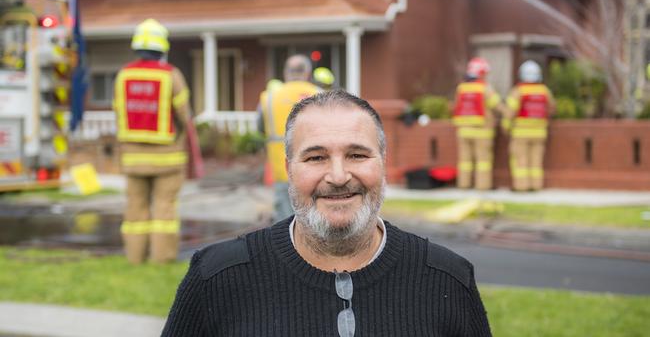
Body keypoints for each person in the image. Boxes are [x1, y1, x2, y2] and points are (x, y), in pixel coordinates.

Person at [163, 90, 492, 336]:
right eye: (316, 158)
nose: (338, 176)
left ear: (384, 163)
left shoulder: (447, 278)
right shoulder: (218, 277)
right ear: (289, 169)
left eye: (357, 155)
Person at [113, 19, 191, 264]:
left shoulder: (123, 75)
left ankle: (135, 258)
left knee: (135, 209)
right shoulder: (171, 75)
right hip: (167, 158)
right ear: (162, 48)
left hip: (133, 158)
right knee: (164, 209)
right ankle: (161, 259)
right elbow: (184, 115)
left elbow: (118, 112)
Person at [258, 54, 319, 222]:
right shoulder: (319, 95)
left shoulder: (269, 97)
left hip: (281, 166)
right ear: (307, 72)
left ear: (286, 73)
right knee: (313, 215)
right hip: (315, 167)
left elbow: (260, 127)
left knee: (284, 218)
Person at [503, 60, 555, 191]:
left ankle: (521, 187)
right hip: (540, 133)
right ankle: (536, 185)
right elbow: (552, 108)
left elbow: (510, 111)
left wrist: (505, 126)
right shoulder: (544, 91)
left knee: (520, 161)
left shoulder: (518, 91)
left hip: (521, 133)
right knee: (536, 161)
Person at [452, 57, 502, 190]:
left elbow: (455, 106)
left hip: (463, 131)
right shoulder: (484, 88)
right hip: (482, 131)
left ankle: (464, 184)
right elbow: (496, 105)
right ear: (482, 73)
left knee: (465, 161)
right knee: (483, 161)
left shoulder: (461, 88)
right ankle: (482, 186)